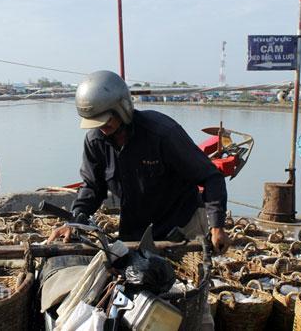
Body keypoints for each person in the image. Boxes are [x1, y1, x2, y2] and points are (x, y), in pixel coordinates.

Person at [47, 70, 231, 254]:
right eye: (95, 123)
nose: (102, 128)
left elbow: (211, 177)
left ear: (122, 108)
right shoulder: (95, 141)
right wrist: (74, 221)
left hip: (182, 225)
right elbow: (93, 187)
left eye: (105, 121)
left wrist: (217, 227)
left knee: (187, 280)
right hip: (136, 230)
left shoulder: (162, 133)